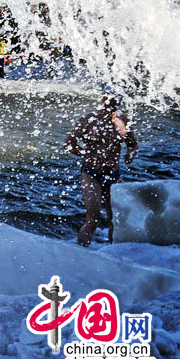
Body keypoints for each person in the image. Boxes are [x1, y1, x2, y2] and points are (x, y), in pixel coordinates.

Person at [65, 93, 138, 246]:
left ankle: (113, 253)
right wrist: (84, 153)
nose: (110, 105)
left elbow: (132, 144)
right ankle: (81, 252)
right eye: (107, 101)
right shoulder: (89, 120)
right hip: (91, 173)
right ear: (102, 101)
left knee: (115, 219)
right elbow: (69, 143)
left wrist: (130, 155)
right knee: (94, 217)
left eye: (114, 103)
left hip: (114, 174)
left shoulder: (121, 122)